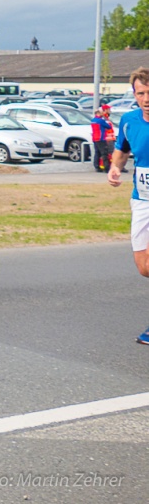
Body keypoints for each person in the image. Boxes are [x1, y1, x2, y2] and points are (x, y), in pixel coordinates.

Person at [107, 68, 149, 346]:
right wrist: (114, 167)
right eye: (141, 93)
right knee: (144, 266)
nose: (146, 98)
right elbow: (122, 150)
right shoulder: (129, 120)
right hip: (142, 198)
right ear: (134, 95)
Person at [91, 105, 114, 172]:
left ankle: (97, 166)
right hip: (101, 138)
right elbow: (108, 127)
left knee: (97, 153)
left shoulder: (93, 120)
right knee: (104, 153)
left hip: (95, 138)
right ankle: (106, 168)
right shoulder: (101, 120)